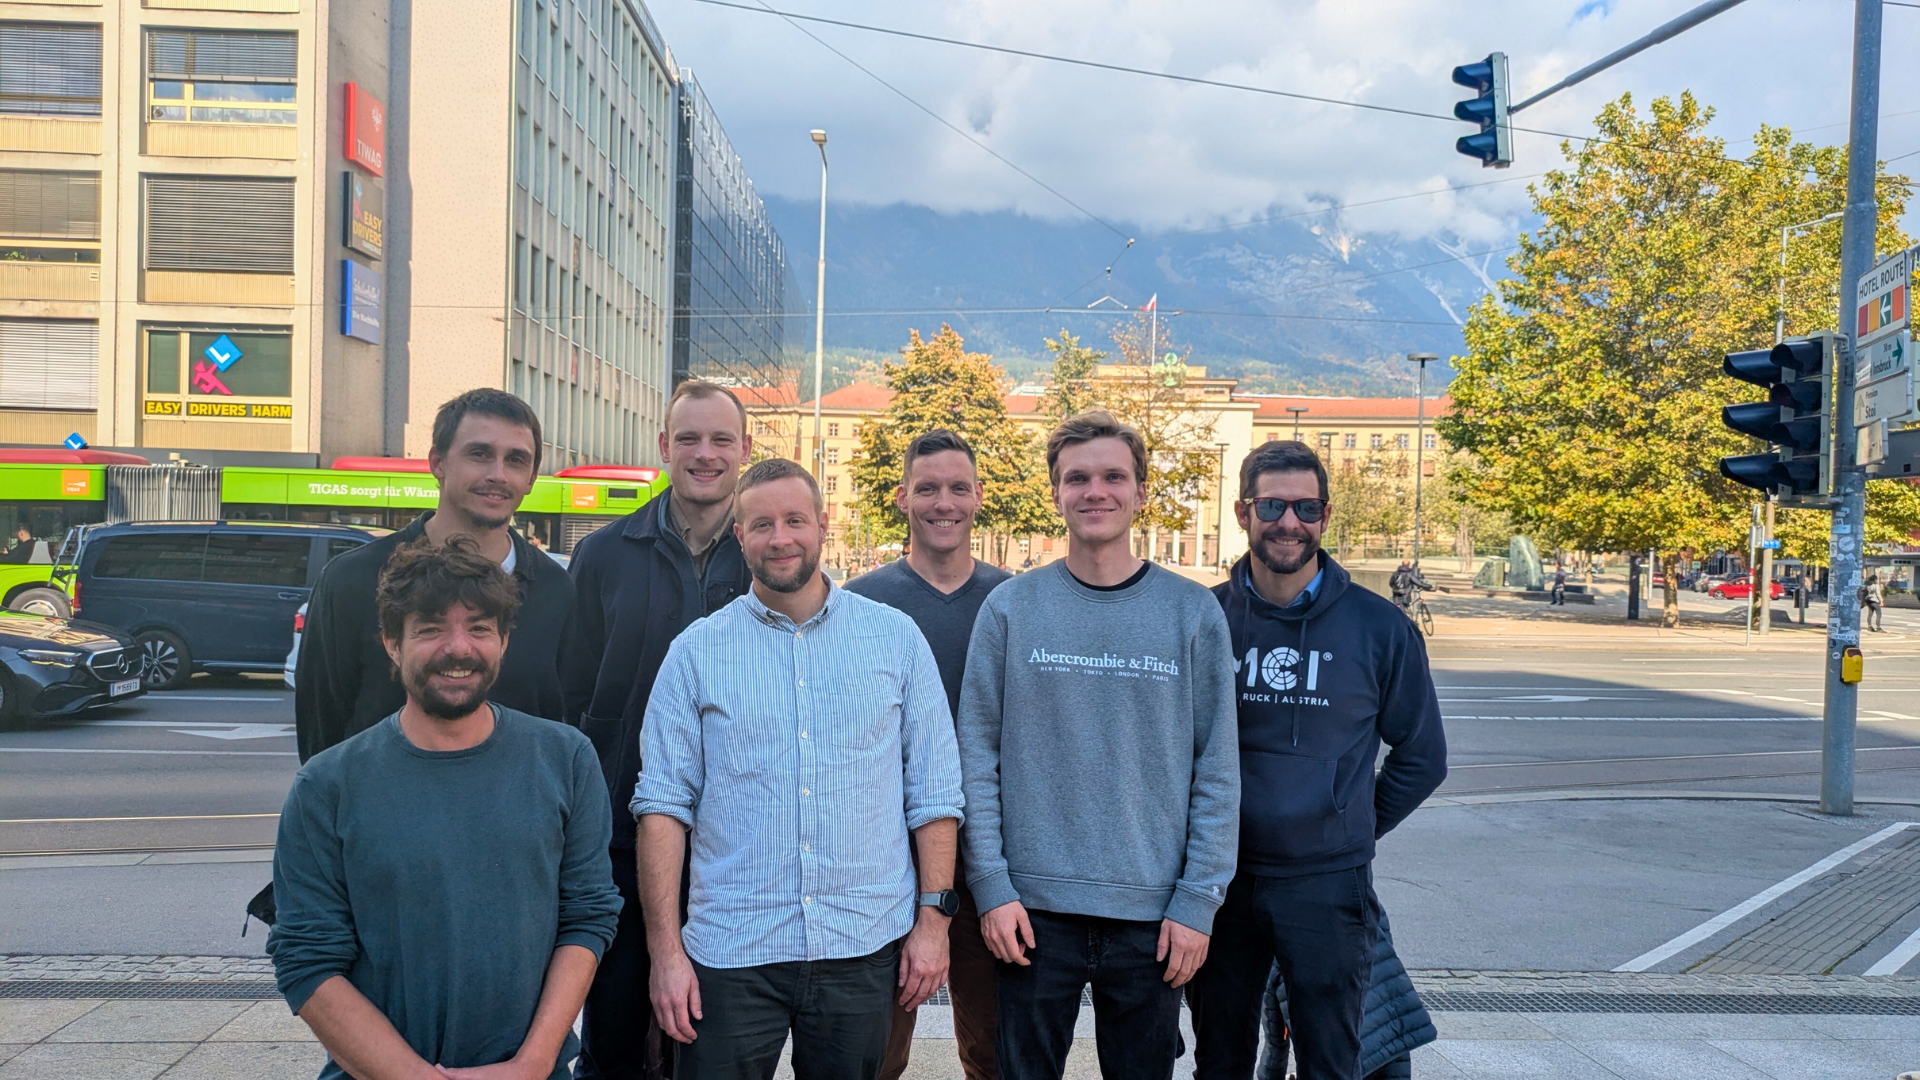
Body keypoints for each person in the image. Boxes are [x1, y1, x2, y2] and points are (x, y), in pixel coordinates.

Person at [634, 458, 965, 1080]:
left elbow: (935, 794)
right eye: (761, 524)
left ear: (822, 524)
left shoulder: (895, 639)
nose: (779, 538)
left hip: (862, 945)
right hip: (732, 951)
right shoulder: (696, 653)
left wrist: (933, 924)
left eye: (794, 520)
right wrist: (666, 955)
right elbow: (662, 810)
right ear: (739, 536)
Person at [267, 536, 622, 1080]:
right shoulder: (328, 784)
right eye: (431, 628)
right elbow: (308, 958)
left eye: (479, 628)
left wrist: (530, 1065)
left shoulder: (565, 759)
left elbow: (587, 917)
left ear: (504, 641)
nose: (459, 648)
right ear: (391, 642)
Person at [957, 410, 1239, 1080]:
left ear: (1141, 491)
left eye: (1113, 476)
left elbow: (1218, 771)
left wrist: (1198, 901)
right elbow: (976, 756)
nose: (1095, 491)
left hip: (1154, 919)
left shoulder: (1192, 613)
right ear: (1055, 493)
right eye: (1077, 478)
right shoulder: (1010, 610)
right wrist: (992, 887)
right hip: (1030, 918)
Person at [1189, 440, 1447, 1080]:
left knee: (1332, 1061)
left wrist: (1349, 819)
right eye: (1272, 505)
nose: (1288, 522)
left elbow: (1423, 756)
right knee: (1219, 1059)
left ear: (1325, 517)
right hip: (1218, 883)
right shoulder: (1204, 618)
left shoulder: (1379, 627)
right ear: (1244, 510)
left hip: (1327, 885)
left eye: (1306, 507)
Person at [560, 379, 757, 1080]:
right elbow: (574, 693)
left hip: (737, 848)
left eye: (720, 440)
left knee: (714, 1046)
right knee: (615, 1035)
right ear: (663, 447)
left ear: (746, 450)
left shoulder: (766, 556)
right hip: (622, 836)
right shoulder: (606, 554)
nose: (704, 455)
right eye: (689, 439)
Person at [846, 430, 1011, 1080]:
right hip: (882, 868)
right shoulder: (858, 603)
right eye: (927, 488)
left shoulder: (1014, 602)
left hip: (989, 868)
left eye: (957, 487)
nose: (943, 502)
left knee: (994, 1056)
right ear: (902, 497)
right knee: (874, 1057)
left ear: (978, 497)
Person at [295, 389, 574, 762]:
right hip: (383, 816)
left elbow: (565, 725)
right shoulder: (352, 580)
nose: (497, 474)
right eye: (479, 454)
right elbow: (321, 733)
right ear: (438, 462)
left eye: (516, 460)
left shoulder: (557, 590)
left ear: (531, 477)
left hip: (519, 818)